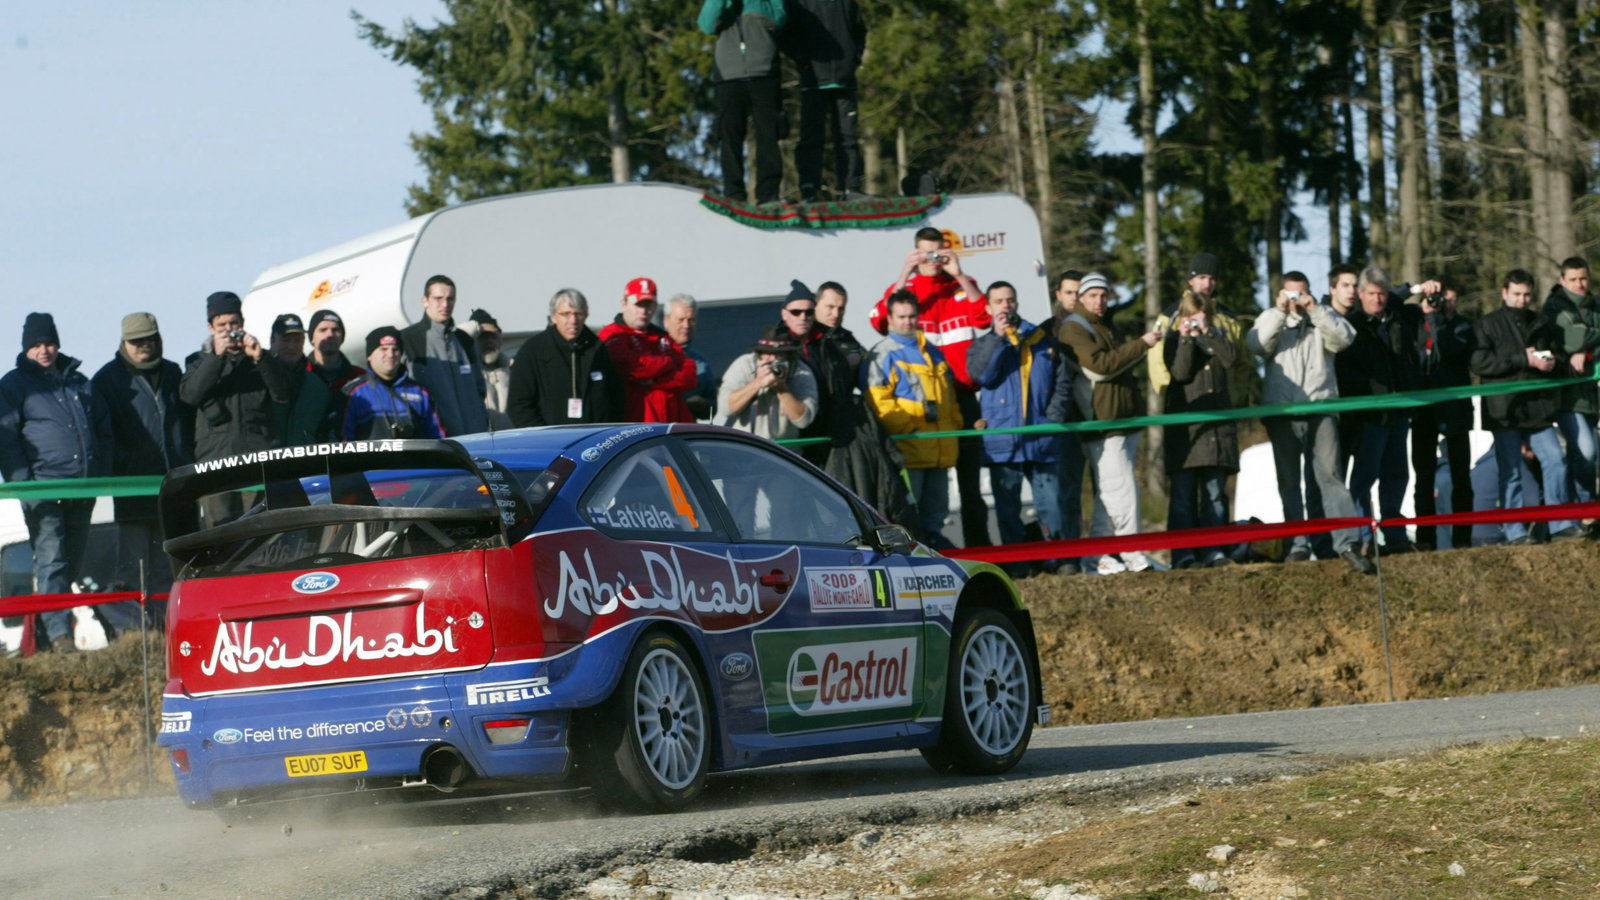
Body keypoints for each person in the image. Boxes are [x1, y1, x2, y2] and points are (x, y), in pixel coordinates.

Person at [870, 227, 993, 547]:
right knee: (922, 485)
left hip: (961, 398)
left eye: (938, 252)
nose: (933, 260)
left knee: (969, 482)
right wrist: (904, 273)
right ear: (915, 252)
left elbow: (983, 318)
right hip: (921, 403)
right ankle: (923, 542)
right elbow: (880, 322)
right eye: (925, 253)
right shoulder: (906, 289)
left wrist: (960, 274)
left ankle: (979, 546)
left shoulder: (961, 286)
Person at [1247, 272, 1373, 574]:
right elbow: (1256, 345)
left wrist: (1315, 310)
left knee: (1331, 477)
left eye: (1301, 294)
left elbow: (1345, 339)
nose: (1296, 300)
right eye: (1291, 294)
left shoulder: (1322, 315)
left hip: (1321, 407)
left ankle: (1346, 544)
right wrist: (1280, 313)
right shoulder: (1270, 317)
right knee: (1289, 482)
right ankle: (1297, 544)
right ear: (1280, 294)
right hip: (1282, 412)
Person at [0, 313, 113, 652]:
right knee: (52, 560)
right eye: (36, 345)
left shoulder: (78, 381)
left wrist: (100, 475)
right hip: (43, 490)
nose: (44, 350)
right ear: (26, 349)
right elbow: (6, 440)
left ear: (58, 343)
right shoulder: (13, 385)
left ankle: (50, 635)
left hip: (82, 488)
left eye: (48, 342)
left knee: (73, 561)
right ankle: (61, 637)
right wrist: (25, 484)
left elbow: (103, 429)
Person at [90, 312, 194, 632]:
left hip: (173, 490)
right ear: (123, 343)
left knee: (167, 569)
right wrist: (120, 470)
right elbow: (101, 434)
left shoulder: (175, 373)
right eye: (136, 341)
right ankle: (135, 640)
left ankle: (166, 635)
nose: (143, 346)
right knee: (132, 572)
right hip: (132, 492)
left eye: (149, 339)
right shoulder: (106, 381)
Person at [1055, 273, 1161, 575]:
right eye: (1092, 295)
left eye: (1103, 295)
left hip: (1123, 420)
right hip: (1101, 423)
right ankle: (1131, 551)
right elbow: (1100, 368)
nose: (1099, 301)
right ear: (1081, 298)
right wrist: (1143, 343)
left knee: (1110, 494)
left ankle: (1097, 554)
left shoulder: (1103, 325)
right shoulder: (1074, 327)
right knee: (1121, 491)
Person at [1148, 253, 1249, 568]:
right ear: (1190, 281)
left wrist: (1209, 332)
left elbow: (1233, 359)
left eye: (1211, 278)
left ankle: (1215, 551)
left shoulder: (1223, 325)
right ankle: (1184, 554)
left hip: (1217, 424)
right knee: (1182, 496)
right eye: (1201, 277)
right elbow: (1178, 373)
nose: (1207, 283)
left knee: (1215, 494)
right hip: (1185, 424)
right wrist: (1186, 339)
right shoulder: (1170, 326)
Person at [1469, 269, 1583, 544]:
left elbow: (1551, 354)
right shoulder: (1487, 324)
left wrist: (1551, 363)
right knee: (1511, 470)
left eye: (1527, 294)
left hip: (1538, 408)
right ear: (1504, 293)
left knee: (1556, 461)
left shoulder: (1540, 322)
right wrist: (1523, 359)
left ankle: (1561, 523)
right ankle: (1515, 530)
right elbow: (1479, 363)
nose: (1522, 300)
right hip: (1504, 409)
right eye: (1517, 294)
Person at [967, 281, 1072, 576]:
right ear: (988, 308)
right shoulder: (982, 344)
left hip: (1041, 437)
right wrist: (999, 339)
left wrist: (1053, 417)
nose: (1006, 306)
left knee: (1051, 505)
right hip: (1003, 441)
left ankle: (1057, 560)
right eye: (999, 301)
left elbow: (1062, 383)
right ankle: (1016, 566)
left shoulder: (1042, 340)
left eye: (1010, 300)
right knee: (1007, 509)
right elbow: (982, 376)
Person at [1334, 266, 1436, 553]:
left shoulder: (1398, 317)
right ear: (1360, 294)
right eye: (1371, 294)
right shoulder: (1350, 325)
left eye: (1382, 294)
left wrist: (1418, 291)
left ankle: (1395, 534)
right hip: (1368, 415)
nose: (1377, 300)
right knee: (1364, 478)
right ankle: (1364, 536)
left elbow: (1409, 305)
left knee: (1397, 475)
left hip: (1398, 412)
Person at [179, 291, 294, 524]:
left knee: (260, 530)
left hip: (257, 460)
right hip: (215, 463)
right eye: (222, 325)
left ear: (243, 324)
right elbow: (190, 396)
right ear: (210, 328)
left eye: (234, 323)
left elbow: (283, 395)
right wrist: (216, 357)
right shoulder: (197, 361)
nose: (229, 329)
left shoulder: (260, 359)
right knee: (220, 534)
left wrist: (260, 358)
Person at [863, 290, 962, 547]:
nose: (908, 321)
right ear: (890, 319)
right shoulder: (881, 355)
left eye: (912, 316)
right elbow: (880, 405)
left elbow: (949, 398)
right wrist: (914, 420)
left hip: (940, 447)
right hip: (907, 450)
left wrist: (955, 424)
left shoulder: (934, 352)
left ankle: (933, 544)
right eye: (902, 316)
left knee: (938, 509)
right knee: (905, 512)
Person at [698, 0, 786, 205]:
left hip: (764, 72)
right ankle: (734, 194)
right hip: (728, 75)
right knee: (730, 136)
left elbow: (780, 18)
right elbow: (706, 25)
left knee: (769, 134)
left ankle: (768, 194)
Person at [1410, 278, 1476, 550]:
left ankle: (1462, 538)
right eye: (1440, 299)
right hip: (1424, 409)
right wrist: (1420, 304)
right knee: (1423, 477)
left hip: (1455, 408)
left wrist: (1436, 320)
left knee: (1461, 476)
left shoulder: (1462, 325)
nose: (1444, 304)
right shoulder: (1414, 322)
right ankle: (1426, 538)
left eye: (1450, 299)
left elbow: (1450, 351)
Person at [782, 0, 866, 202]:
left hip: (845, 81)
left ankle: (851, 188)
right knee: (811, 137)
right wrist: (803, 60)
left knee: (848, 138)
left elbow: (860, 30)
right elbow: (785, 34)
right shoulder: (799, 3)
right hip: (813, 81)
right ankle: (809, 188)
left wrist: (853, 59)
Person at [506, 288, 624, 427]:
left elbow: (616, 397)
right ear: (554, 317)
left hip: (594, 440)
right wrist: (543, 437)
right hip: (550, 442)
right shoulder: (534, 351)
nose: (573, 320)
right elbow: (519, 405)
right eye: (566, 314)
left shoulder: (597, 349)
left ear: (586, 315)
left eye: (578, 314)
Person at [1542, 256, 1600, 521]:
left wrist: (1586, 352)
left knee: (1590, 454)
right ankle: (1580, 508)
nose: (1579, 284)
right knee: (1585, 452)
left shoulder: (1594, 304)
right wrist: (1585, 345)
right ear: (1562, 280)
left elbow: (1583, 340)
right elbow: (1574, 337)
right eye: (1573, 279)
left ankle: (1586, 510)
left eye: (1583, 278)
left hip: (1591, 395)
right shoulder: (1556, 306)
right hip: (1566, 397)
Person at [600, 277, 699, 423]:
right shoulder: (612, 334)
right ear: (624, 304)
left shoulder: (661, 337)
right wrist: (668, 363)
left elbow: (689, 375)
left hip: (671, 423)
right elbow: (631, 366)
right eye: (639, 305)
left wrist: (653, 381)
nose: (644, 311)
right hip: (634, 425)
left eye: (649, 305)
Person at [399, 275, 487, 437]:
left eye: (450, 299)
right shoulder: (409, 339)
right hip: (435, 441)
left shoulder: (464, 340)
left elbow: (479, 389)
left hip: (474, 438)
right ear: (425, 301)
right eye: (438, 298)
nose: (445, 304)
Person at [1041, 270, 1086, 566]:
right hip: (1057, 422)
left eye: (1079, 293)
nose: (1074, 298)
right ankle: (1054, 555)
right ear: (1058, 294)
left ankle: (1076, 554)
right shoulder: (1047, 331)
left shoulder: (1094, 326)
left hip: (1086, 420)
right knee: (1053, 494)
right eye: (1069, 292)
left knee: (1073, 493)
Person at [342, 327, 444, 440]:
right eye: (383, 349)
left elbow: (437, 436)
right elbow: (343, 440)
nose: (390, 354)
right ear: (369, 356)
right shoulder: (353, 393)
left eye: (395, 349)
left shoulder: (420, 392)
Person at [718, 325, 818, 439]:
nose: (773, 360)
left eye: (779, 354)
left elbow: (804, 420)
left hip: (784, 449)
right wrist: (757, 383)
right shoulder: (744, 365)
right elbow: (726, 409)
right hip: (745, 446)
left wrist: (782, 389)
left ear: (789, 356)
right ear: (760, 354)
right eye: (768, 353)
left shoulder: (801, 372)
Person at [269, 313, 329, 447]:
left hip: (306, 464)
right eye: (285, 339)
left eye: (297, 340)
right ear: (272, 340)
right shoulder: (257, 379)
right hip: (266, 463)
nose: (292, 346)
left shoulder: (317, 387)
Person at [304, 309, 365, 440]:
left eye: (335, 330)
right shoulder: (301, 376)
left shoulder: (359, 377)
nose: (330, 334)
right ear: (312, 338)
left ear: (342, 337)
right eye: (323, 330)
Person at [663, 294, 717, 420]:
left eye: (691, 320)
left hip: (685, 433)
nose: (686, 326)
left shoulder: (701, 363)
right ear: (666, 321)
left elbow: (712, 409)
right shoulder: (652, 354)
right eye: (680, 320)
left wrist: (701, 405)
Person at [461, 308, 512, 431]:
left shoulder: (513, 371)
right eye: (483, 337)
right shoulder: (466, 374)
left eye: (493, 337)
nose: (489, 342)